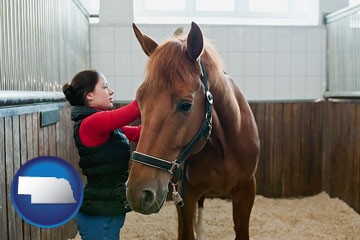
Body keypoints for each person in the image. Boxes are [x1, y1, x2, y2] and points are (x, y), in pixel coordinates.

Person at [62, 70, 141, 240]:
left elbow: (137, 133)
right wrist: (153, 87)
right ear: (89, 95)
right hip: (99, 215)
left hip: (107, 208)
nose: (111, 91)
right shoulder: (92, 123)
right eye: (105, 87)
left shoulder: (103, 124)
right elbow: (134, 111)